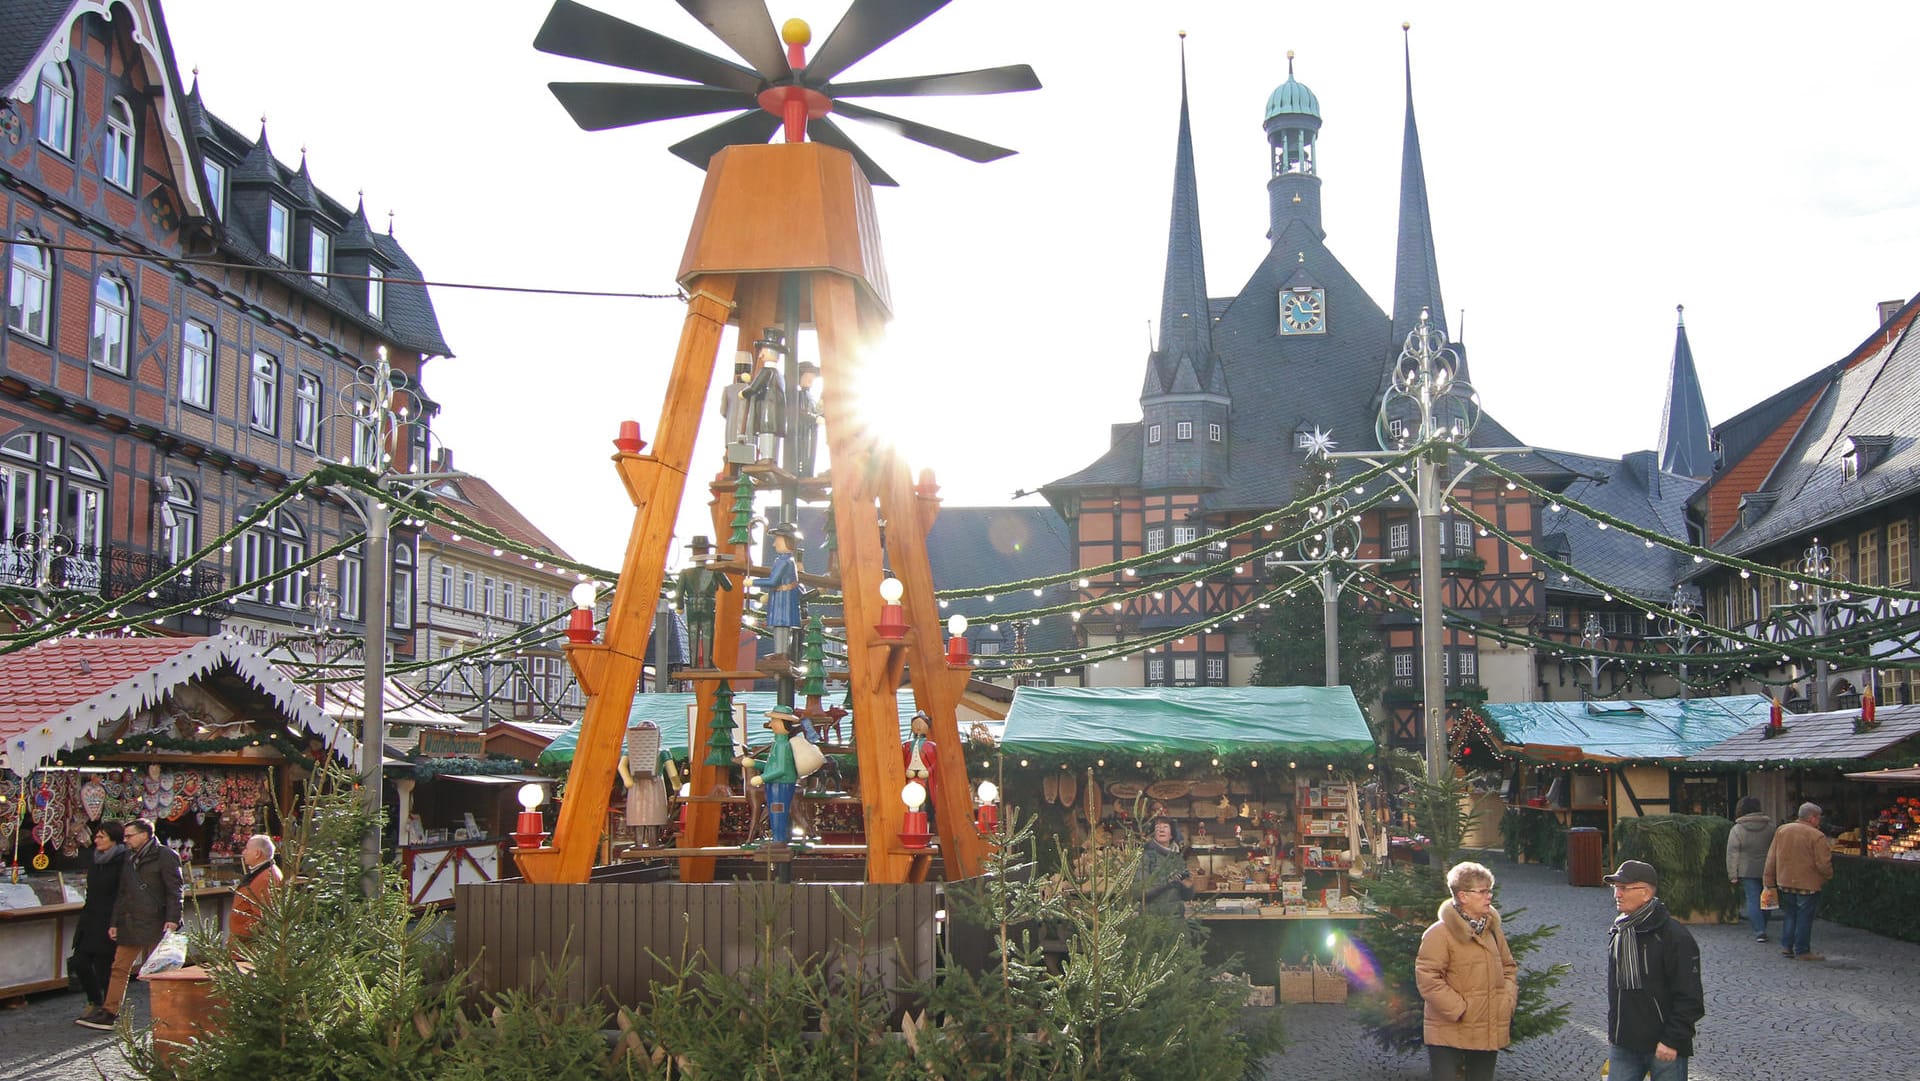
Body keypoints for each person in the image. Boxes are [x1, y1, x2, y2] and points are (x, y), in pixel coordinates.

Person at [1414, 861, 1518, 1081]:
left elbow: (1509, 968)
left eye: (1490, 890)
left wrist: (1506, 1000)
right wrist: (1461, 1009)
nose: (1489, 896)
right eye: (1482, 891)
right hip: (1448, 1028)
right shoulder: (1439, 933)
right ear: (1463, 896)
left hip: (1487, 1027)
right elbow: (1428, 978)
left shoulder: (1492, 930)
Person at [1603, 860, 1704, 1080]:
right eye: (1615, 888)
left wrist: (1671, 1040)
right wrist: (1614, 1033)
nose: (1617, 895)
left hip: (1664, 1047)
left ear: (1646, 893)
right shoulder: (1620, 932)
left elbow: (1690, 997)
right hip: (1624, 1045)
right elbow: (1616, 991)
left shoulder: (1674, 937)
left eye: (1624, 888)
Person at [80, 818, 183, 1031]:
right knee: (119, 968)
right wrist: (115, 921)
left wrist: (172, 920)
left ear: (144, 835)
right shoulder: (128, 857)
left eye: (129, 836)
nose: (125, 840)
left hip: (156, 921)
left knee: (160, 973)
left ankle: (168, 1015)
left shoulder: (165, 856)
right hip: (130, 919)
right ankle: (110, 1012)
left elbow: (175, 891)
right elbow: (123, 892)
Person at [70, 822, 128, 1027]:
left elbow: (123, 893)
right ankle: (95, 1001)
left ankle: (109, 1009)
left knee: (105, 968)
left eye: (101, 837)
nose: (96, 840)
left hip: (109, 920)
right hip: (90, 919)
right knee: (79, 961)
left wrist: (117, 920)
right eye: (96, 837)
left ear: (114, 839)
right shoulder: (95, 860)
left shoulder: (124, 860)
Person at [1762, 801, 1833, 961]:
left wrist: (1768, 879)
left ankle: (1787, 946)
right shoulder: (1816, 836)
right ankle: (1802, 949)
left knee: (1790, 914)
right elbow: (1823, 863)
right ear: (1812, 818)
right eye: (1818, 817)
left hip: (1785, 880)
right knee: (1804, 916)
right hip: (1808, 883)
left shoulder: (1782, 830)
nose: (1819, 821)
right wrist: (1828, 875)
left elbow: (1771, 857)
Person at [1724, 796, 1772, 942]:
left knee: (1753, 900)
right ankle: (1763, 923)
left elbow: (1732, 853)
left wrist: (1732, 874)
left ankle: (1760, 930)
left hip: (1746, 870)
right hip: (1767, 868)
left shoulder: (1737, 829)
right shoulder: (1770, 828)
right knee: (1767, 899)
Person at [228, 834, 284, 948]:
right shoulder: (263, 872)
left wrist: (240, 936)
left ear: (257, 853)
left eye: (247, 849)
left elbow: (263, 918)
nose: (244, 853)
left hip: (249, 949)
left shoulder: (266, 878)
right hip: (243, 946)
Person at [1135, 817, 1194, 917]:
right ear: (1153, 834)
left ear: (1171, 834)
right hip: (1153, 920)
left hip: (1176, 919)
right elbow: (1140, 892)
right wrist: (1167, 882)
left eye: (1165, 827)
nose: (1161, 830)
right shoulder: (1146, 857)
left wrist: (1188, 886)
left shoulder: (1178, 858)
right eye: (1158, 828)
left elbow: (1187, 897)